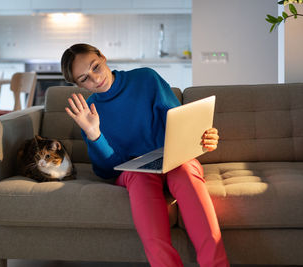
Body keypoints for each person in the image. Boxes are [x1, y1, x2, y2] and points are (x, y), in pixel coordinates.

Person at [61, 43, 229, 267]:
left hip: (174, 158)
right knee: (140, 179)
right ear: (78, 84)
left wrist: (204, 136)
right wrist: (94, 134)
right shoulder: (88, 113)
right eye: (84, 79)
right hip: (135, 170)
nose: (95, 78)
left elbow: (180, 121)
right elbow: (105, 170)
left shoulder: (146, 79)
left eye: (95, 67)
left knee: (186, 171)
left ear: (103, 56)